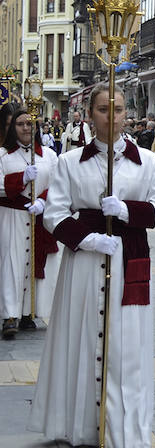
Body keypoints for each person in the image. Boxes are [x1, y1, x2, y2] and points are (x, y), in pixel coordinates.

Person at [28, 86, 155, 447]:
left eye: (119, 109)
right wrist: (89, 240)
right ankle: (78, 423)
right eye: (105, 109)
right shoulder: (70, 161)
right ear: (90, 114)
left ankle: (124, 425)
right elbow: (55, 213)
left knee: (127, 347)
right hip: (85, 263)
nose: (113, 116)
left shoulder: (150, 162)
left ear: (128, 114)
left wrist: (126, 211)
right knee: (80, 335)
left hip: (130, 260)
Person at [0, 110, 60, 338]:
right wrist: (21, 179)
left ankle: (28, 312)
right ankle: (9, 314)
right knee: (11, 263)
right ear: (12, 128)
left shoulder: (48, 155)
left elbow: (58, 184)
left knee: (32, 264)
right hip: (11, 217)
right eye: (21, 124)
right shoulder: (3, 155)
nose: (26, 128)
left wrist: (44, 201)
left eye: (30, 124)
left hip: (38, 216)